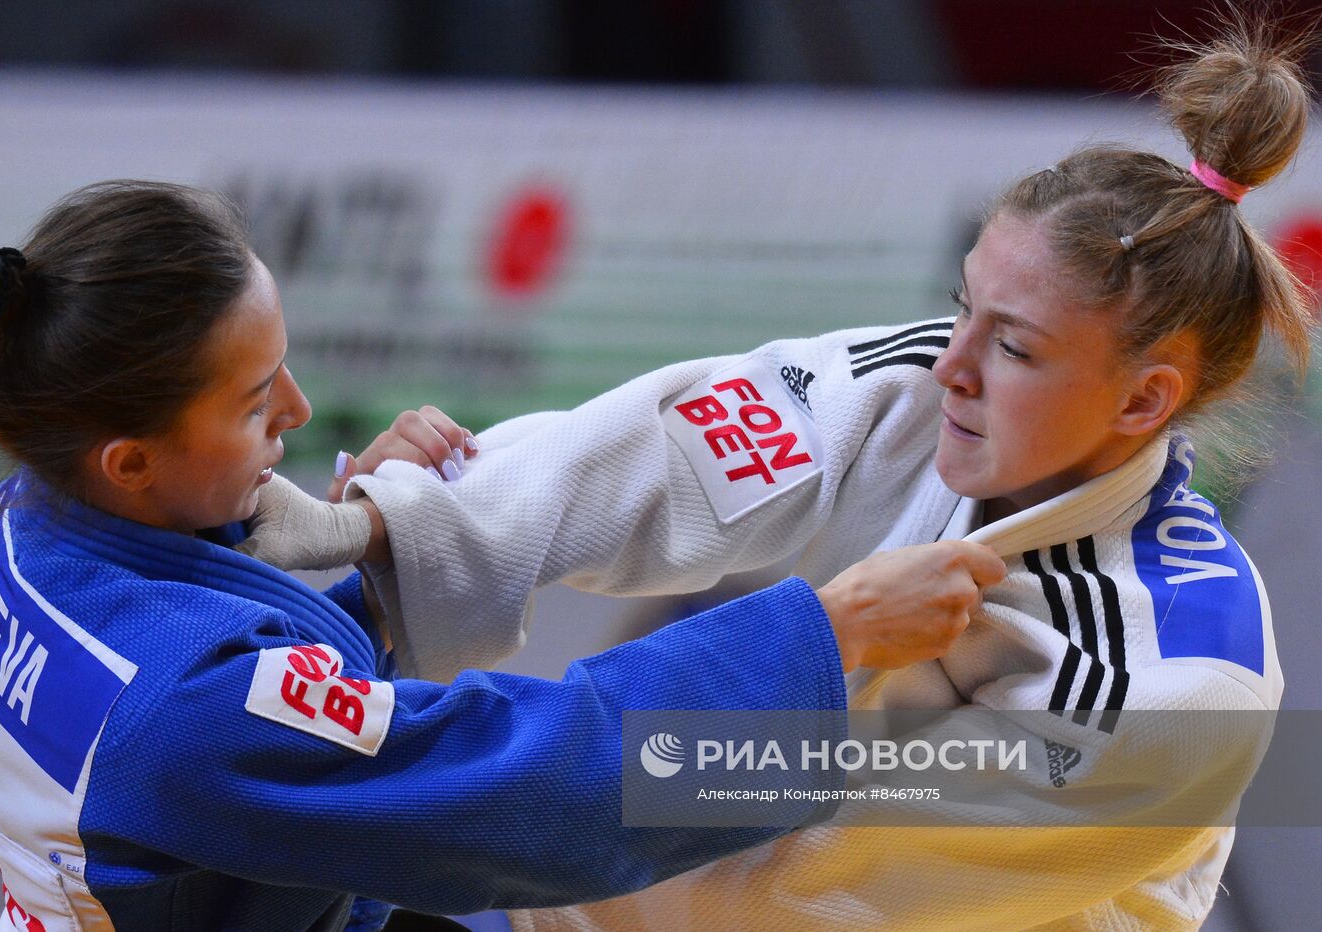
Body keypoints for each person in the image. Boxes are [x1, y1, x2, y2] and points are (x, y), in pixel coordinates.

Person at [244, 20, 1312, 930]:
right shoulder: (924, 388)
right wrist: (397, 528)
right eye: (961, 306)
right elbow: (661, 457)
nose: (950, 363)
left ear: (1141, 401)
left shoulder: (1175, 689)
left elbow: (796, 872)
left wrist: (455, 788)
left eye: (1015, 346)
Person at [0, 181, 1007, 932]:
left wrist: (382, 541)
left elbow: (260, 705)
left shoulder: (39, 517)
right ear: (130, 460)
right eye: (256, 401)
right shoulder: (184, 708)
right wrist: (819, 636)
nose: (297, 413)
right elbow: (525, 787)